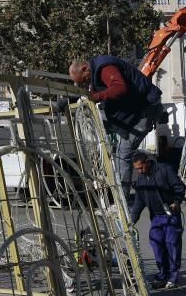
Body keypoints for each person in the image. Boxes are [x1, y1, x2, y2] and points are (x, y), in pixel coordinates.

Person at [68, 56, 164, 197]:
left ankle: (122, 198)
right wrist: (69, 103)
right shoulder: (95, 70)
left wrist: (97, 96)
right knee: (100, 119)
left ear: (85, 69)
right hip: (135, 109)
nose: (86, 84)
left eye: (85, 80)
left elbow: (119, 87)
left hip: (146, 109)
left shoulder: (105, 68)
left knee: (124, 152)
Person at [129, 152, 185, 289]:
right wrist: (131, 221)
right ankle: (162, 275)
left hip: (171, 215)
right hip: (156, 218)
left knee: (172, 245)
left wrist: (176, 202)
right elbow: (138, 202)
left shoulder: (165, 170)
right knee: (157, 245)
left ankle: (173, 277)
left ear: (147, 162)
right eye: (137, 169)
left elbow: (179, 186)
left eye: (141, 167)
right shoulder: (141, 180)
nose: (139, 171)